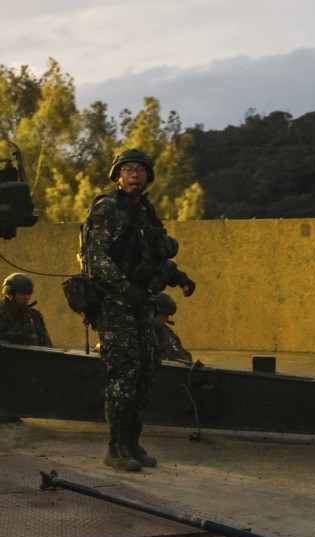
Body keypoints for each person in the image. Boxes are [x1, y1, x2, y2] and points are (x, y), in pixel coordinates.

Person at [79, 148, 196, 472]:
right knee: (124, 373)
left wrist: (178, 278)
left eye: (140, 170)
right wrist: (123, 288)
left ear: (148, 177)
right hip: (115, 302)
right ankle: (116, 448)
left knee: (146, 370)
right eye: (128, 169)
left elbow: (153, 254)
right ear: (118, 175)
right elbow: (96, 258)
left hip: (142, 301)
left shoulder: (146, 211)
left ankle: (133, 442)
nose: (134, 174)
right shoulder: (106, 208)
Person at [0, 273, 52, 347]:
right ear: (9, 294)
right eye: (22, 294)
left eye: (28, 294)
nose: (26, 297)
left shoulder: (33, 317)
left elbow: (46, 345)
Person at [153, 292, 194, 364]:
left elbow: (182, 357)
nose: (167, 318)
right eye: (165, 315)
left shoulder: (165, 332)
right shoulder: (135, 329)